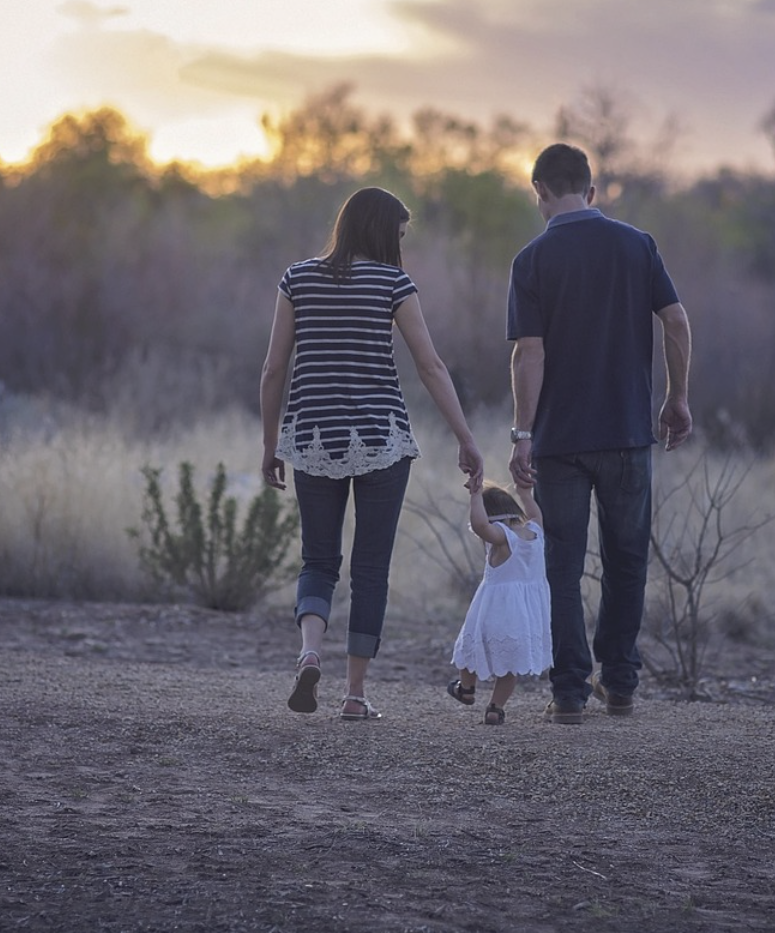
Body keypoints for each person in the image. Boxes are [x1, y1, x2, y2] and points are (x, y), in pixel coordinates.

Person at [260, 186, 484, 721]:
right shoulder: (393, 283)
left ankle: (310, 650)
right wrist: (465, 437)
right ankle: (355, 695)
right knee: (371, 569)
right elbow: (430, 366)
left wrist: (271, 445)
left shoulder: (297, 278)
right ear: (383, 232)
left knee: (318, 560)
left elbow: (273, 370)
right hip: (382, 439)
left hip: (312, 438)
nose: (401, 245)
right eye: (399, 235)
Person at [507, 143, 693, 724]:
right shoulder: (638, 246)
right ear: (592, 190)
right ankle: (621, 683)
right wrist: (677, 397)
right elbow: (677, 321)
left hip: (561, 441)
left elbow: (528, 354)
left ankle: (568, 693)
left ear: (538, 191)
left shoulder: (532, 260)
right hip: (628, 433)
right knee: (627, 559)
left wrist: (522, 432)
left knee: (562, 565)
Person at [447, 483, 553, 725]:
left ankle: (466, 688)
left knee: (469, 649)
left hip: (494, 611)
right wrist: (525, 493)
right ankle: (495, 708)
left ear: (493, 517)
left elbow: (480, 525)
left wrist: (475, 496)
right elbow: (536, 514)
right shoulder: (535, 532)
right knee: (509, 665)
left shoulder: (503, 538)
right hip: (525, 616)